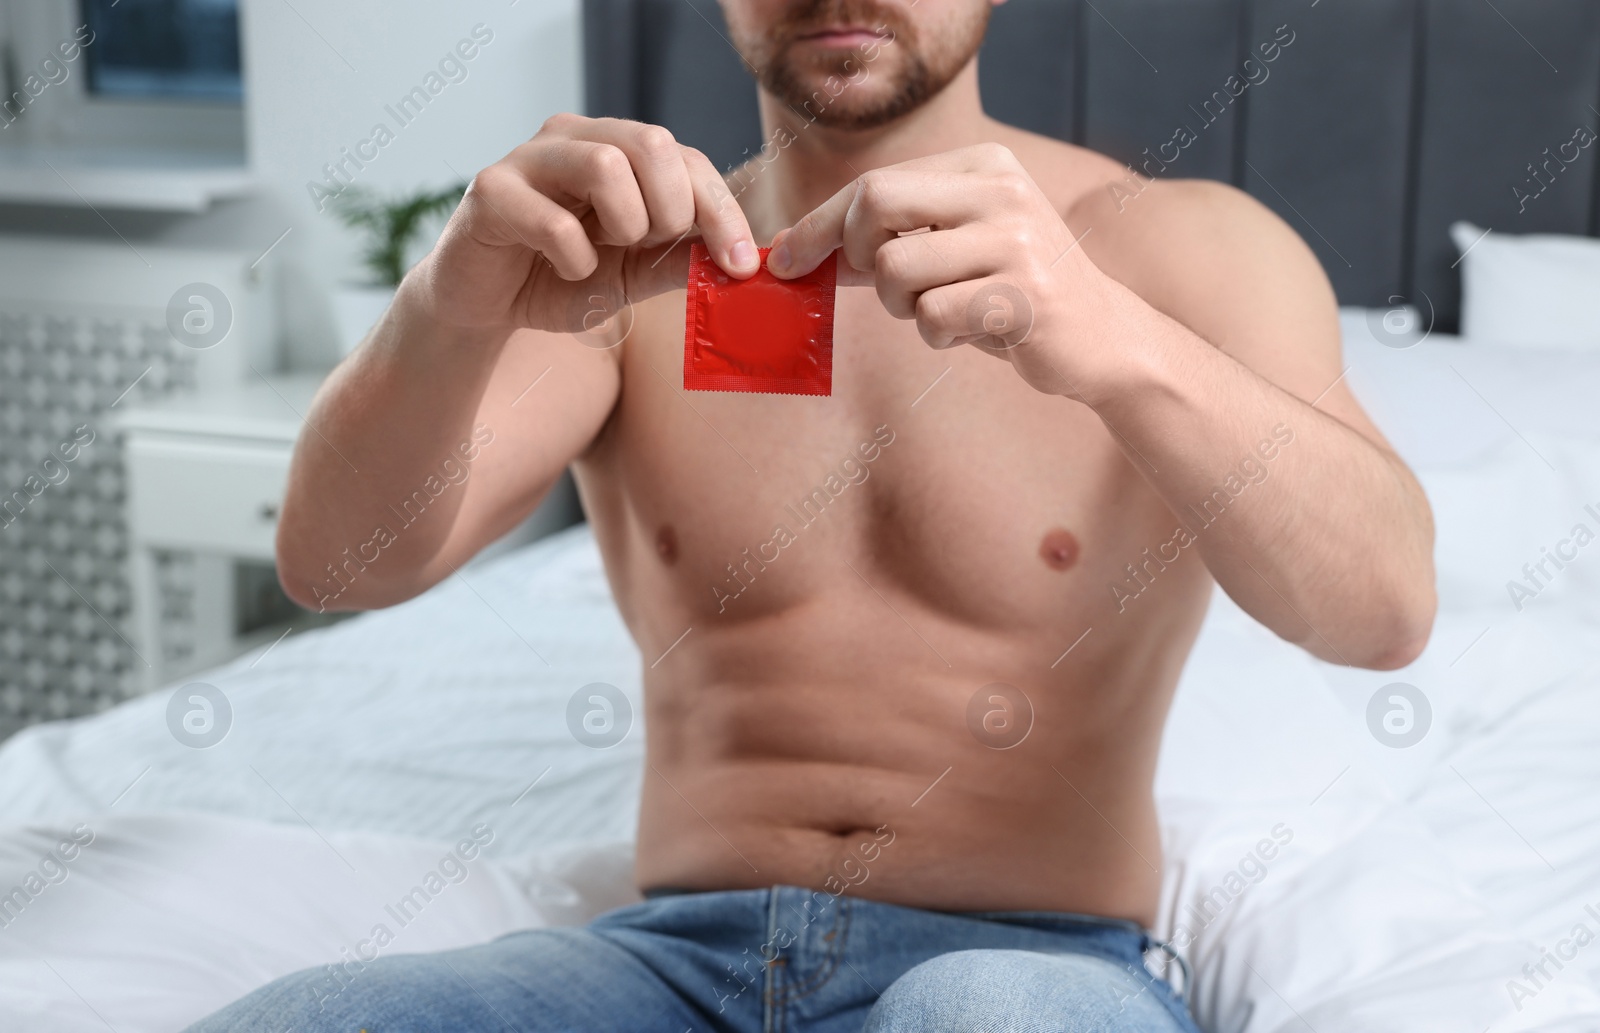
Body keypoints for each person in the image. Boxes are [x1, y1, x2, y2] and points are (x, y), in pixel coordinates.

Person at [190, 0, 1435, 1028]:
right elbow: (334, 561)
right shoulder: (631, 273)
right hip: (667, 968)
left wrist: (1110, 339)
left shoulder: (1182, 250)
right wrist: (447, 303)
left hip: (1028, 964)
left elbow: (1381, 611)